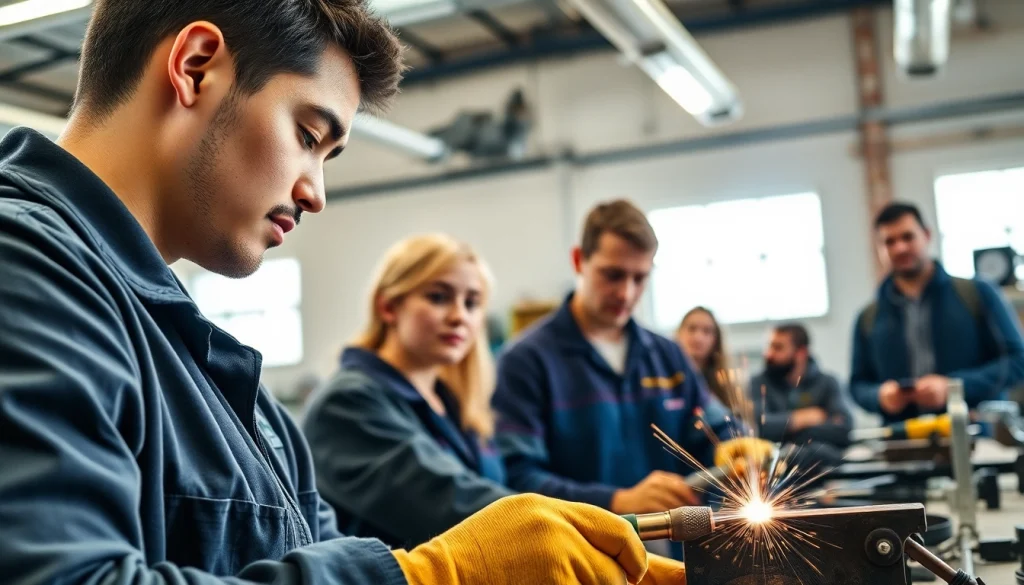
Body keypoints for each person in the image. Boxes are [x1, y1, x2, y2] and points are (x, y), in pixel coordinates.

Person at [0, 2, 685, 585]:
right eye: (307, 135)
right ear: (196, 67)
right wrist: (429, 574)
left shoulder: (232, 389)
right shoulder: (22, 266)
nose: (315, 193)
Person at [492, 199, 773, 521]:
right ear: (578, 260)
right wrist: (617, 501)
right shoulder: (526, 362)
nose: (626, 293)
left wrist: (733, 443)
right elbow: (517, 480)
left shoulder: (668, 356)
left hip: (671, 554)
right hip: (580, 558)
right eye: (612, 275)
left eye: (639, 278)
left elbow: (711, 423)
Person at [303, 234, 515, 549]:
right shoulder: (347, 404)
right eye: (439, 297)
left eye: (472, 303)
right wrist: (559, 521)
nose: (460, 316)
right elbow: (448, 501)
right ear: (388, 307)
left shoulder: (451, 402)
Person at [850, 202, 1024, 424]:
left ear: (927, 235)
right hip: (901, 445)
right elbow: (857, 385)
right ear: (879, 249)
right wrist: (878, 396)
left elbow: (1018, 361)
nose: (900, 248)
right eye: (889, 242)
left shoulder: (977, 294)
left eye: (907, 237)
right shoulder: (868, 318)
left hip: (975, 439)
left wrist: (953, 387)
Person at [750, 324, 852, 463]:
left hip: (824, 467)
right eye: (769, 346)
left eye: (778, 347)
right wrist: (800, 419)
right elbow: (758, 427)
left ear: (801, 353)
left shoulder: (828, 383)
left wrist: (787, 432)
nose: (769, 354)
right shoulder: (758, 383)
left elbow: (844, 430)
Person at [676, 306, 740, 412]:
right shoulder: (666, 379)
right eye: (692, 329)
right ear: (679, 333)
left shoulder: (725, 384)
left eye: (707, 331)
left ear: (716, 339)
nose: (698, 337)